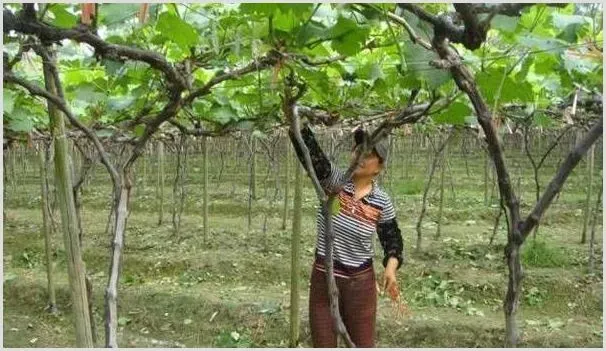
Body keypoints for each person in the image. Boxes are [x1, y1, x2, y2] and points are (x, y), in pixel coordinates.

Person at [288, 123, 404, 347]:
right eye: (358, 148)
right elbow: (312, 157)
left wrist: (391, 267)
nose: (361, 155)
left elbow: (393, 240)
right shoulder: (334, 183)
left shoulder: (381, 201)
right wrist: (296, 123)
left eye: (369, 154)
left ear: (380, 166)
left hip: (360, 285)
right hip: (324, 278)